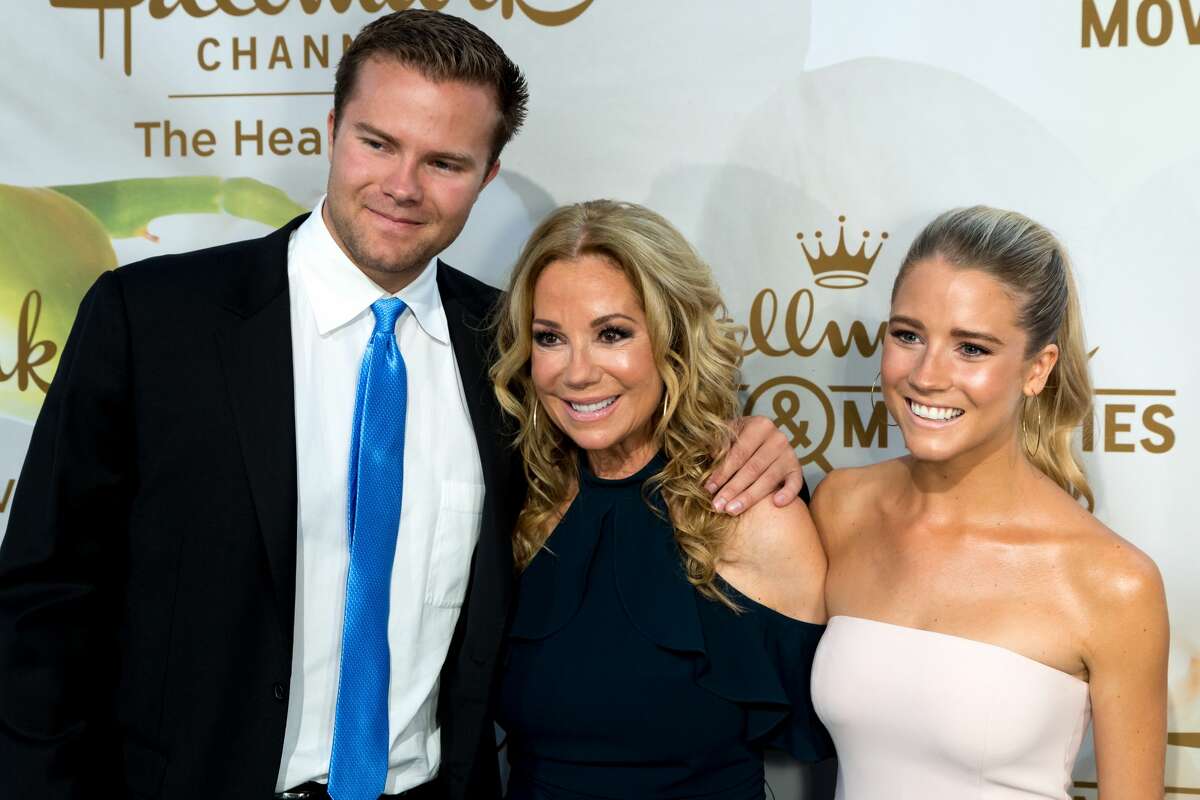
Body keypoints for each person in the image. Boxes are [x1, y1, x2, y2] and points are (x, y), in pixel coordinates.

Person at [0, 13, 805, 800]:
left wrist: (751, 443)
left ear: (487, 176)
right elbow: (43, 600)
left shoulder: (517, 350)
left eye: (445, 162)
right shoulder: (153, 320)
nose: (401, 186)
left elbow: (624, 449)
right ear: (331, 129)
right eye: (377, 142)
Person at [809, 206, 1169, 799]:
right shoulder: (842, 508)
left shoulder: (1112, 583)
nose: (927, 375)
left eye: (971, 348)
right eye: (908, 335)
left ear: (1038, 369)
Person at [489, 200, 833, 799]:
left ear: (673, 339)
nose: (576, 372)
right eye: (550, 338)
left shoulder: (751, 512)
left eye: (612, 334)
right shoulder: (525, 503)